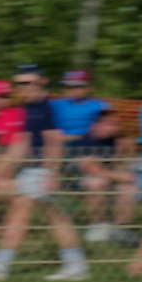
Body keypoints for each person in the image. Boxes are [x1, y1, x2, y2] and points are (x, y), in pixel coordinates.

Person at [0, 66, 90, 282]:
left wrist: (52, 172)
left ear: (42, 82)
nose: (24, 87)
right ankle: (76, 265)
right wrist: (2, 173)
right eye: (20, 83)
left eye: (29, 82)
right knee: (56, 217)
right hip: (33, 170)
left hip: (41, 170)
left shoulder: (46, 108)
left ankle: (0, 266)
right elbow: (21, 143)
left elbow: (54, 140)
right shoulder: (28, 108)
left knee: (22, 214)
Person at [52, 70, 133, 242]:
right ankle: (99, 225)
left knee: (126, 177)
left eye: (79, 86)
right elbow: (49, 131)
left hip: (98, 146)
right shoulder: (57, 105)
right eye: (70, 86)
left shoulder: (99, 105)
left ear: (87, 87)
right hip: (71, 152)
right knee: (96, 178)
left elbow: (112, 125)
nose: (74, 90)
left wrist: (119, 144)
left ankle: (121, 228)